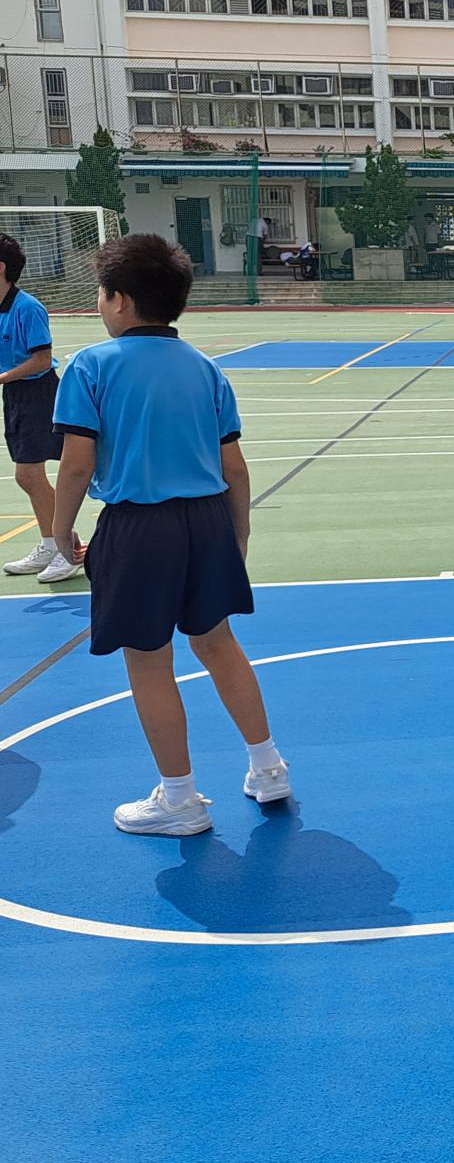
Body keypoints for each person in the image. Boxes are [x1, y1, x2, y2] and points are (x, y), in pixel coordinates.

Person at [49, 234, 290, 837]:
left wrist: (59, 527)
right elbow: (235, 468)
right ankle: (268, 767)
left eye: (101, 293)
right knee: (219, 644)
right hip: (206, 520)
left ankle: (180, 799)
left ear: (119, 300)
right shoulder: (206, 369)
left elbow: (77, 463)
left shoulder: (90, 366)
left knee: (148, 660)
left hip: (138, 526)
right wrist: (237, 534)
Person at [1, 234, 82, 583]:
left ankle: (67, 548)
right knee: (29, 476)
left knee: (29, 474)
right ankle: (51, 544)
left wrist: (4, 376)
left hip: (39, 393)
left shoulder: (28, 308)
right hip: (15, 394)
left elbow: (42, 359)